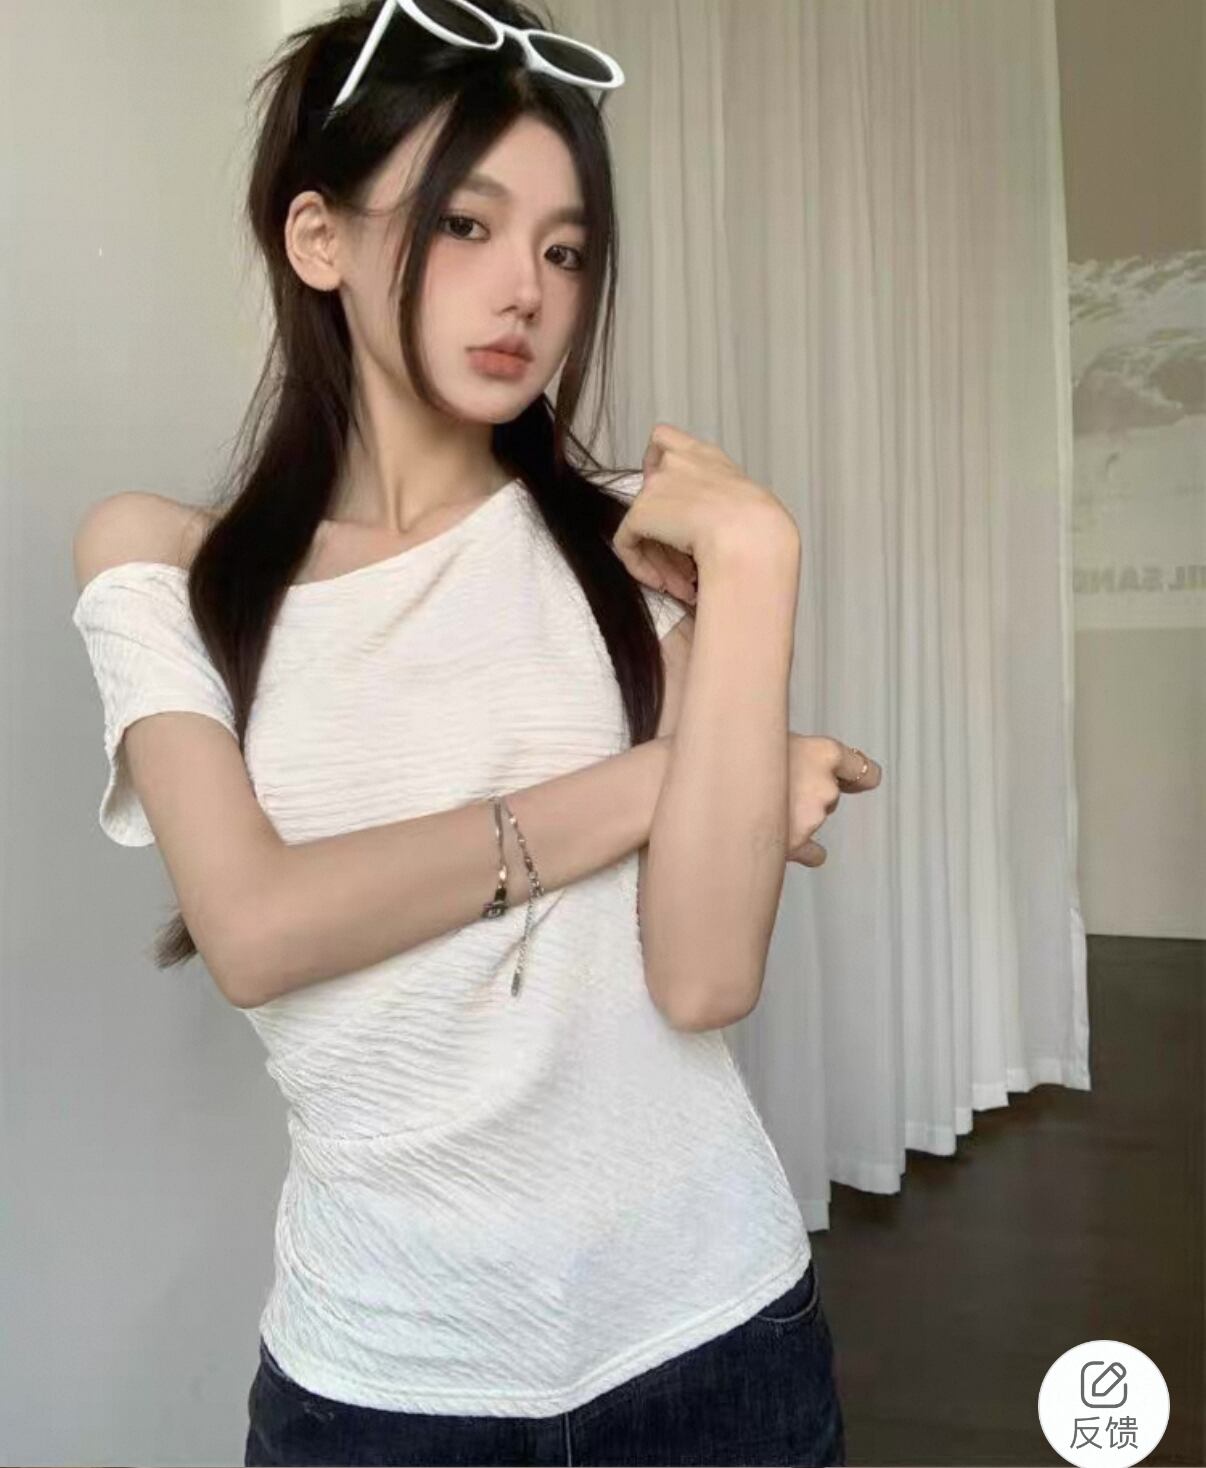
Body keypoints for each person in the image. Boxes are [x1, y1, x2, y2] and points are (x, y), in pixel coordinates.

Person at [69, 1, 858, 1461]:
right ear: (318, 239)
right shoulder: (167, 565)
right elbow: (256, 931)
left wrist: (759, 565)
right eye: (464, 226)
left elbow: (702, 977)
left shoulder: (637, 548)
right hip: (383, 1381)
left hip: (714, 1337)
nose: (525, 293)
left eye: (564, 250)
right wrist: (677, 778)